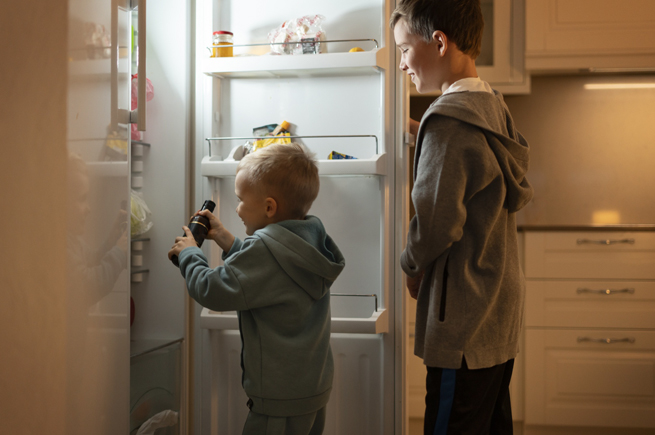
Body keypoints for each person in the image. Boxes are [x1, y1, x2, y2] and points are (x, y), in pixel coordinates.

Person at [391, 0, 534, 433]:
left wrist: (410, 267)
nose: (401, 65)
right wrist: (423, 132)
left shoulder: (448, 123)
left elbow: (436, 224)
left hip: (464, 315)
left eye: (403, 49)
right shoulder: (491, 105)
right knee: (489, 424)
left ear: (438, 42)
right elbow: (471, 160)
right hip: (497, 305)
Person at [168, 143, 345, 435]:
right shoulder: (310, 239)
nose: (236, 208)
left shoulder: (263, 250)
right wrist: (226, 239)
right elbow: (270, 275)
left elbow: (211, 289)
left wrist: (189, 253)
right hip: (312, 392)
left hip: (277, 402)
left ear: (268, 207)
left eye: (240, 200)